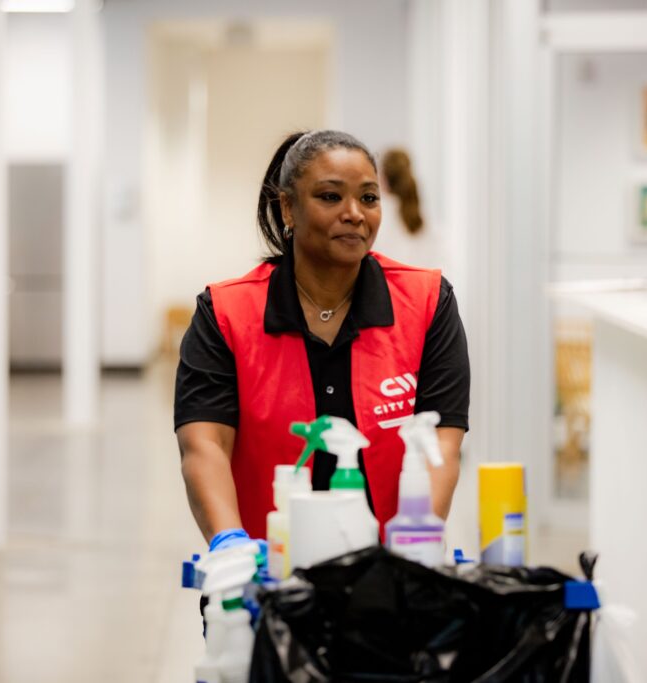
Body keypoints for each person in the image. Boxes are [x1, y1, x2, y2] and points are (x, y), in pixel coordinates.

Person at [174, 130, 470, 555]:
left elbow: (441, 441)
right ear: (287, 207)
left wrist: (412, 550)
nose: (354, 213)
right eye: (331, 197)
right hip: (265, 566)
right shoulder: (226, 313)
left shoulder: (427, 302)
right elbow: (206, 444)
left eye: (368, 198)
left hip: (391, 567)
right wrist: (230, 545)